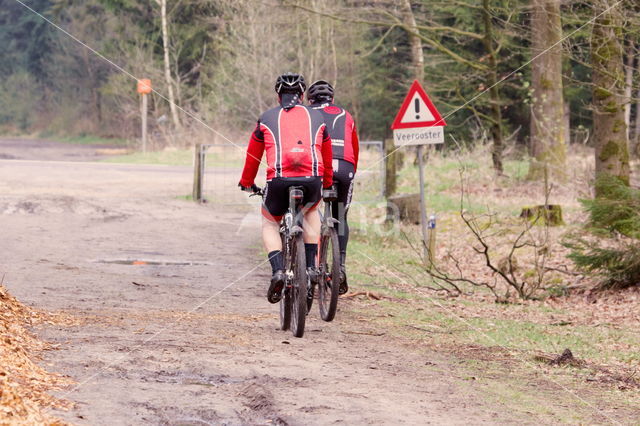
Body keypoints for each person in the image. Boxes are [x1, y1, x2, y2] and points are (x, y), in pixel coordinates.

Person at [238, 72, 333, 304]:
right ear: (302, 95)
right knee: (311, 212)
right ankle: (311, 267)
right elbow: (327, 155)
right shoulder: (318, 118)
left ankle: (278, 271)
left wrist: (247, 182)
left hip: (278, 180)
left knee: (270, 221)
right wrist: (326, 183)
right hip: (312, 179)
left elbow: (253, 156)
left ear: (278, 95)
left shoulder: (266, 118)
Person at [307, 79, 359, 294]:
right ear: (332, 99)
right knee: (341, 215)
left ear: (310, 100)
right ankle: (341, 268)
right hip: (345, 168)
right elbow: (355, 149)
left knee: (308, 211)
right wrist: (350, 172)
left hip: (318, 166)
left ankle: (309, 265)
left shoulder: (306, 114)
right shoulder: (346, 114)